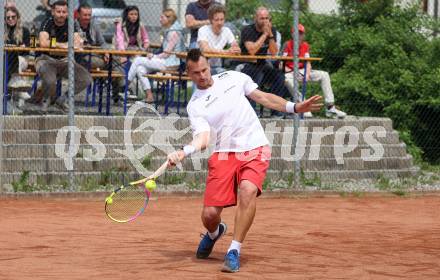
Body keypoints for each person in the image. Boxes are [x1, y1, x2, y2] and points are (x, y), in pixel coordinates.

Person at [165, 49, 322, 273]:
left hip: (255, 147)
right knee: (209, 215)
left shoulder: (234, 78)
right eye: (197, 73)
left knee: (247, 190)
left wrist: (294, 107)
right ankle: (214, 232)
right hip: (223, 154)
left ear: (209, 65)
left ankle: (234, 250)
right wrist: (184, 151)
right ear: (189, 74)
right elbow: (204, 137)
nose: (203, 75)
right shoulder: (195, 106)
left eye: (205, 69)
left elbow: (262, 97)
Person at [35, 0, 92, 111]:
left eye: (64, 12)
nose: (61, 14)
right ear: (53, 12)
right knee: (50, 81)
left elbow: (77, 42)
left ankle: (62, 99)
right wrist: (63, 45)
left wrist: (59, 45)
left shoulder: (71, 23)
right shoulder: (47, 22)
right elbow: (43, 43)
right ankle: (46, 100)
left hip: (65, 60)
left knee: (86, 79)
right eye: (58, 11)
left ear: (67, 13)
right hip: (46, 60)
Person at [284, 24, 347, 118]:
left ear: (303, 35)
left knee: (324, 75)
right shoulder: (287, 44)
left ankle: (330, 108)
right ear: (292, 34)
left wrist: (307, 74)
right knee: (287, 79)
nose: (299, 35)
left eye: (301, 33)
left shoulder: (305, 45)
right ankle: (303, 106)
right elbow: (282, 62)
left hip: (303, 70)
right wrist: (288, 70)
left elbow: (308, 63)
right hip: (290, 72)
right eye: (296, 33)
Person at [239, 7, 290, 117]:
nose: (265, 21)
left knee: (279, 77)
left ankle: (276, 111)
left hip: (262, 64)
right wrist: (264, 35)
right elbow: (251, 51)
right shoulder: (247, 30)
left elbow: (274, 52)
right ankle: (252, 111)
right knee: (256, 75)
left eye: (267, 18)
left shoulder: (272, 31)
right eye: (262, 18)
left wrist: (270, 34)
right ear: (255, 18)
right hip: (246, 63)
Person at [127, 8, 185, 104]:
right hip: (166, 62)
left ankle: (125, 86)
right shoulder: (169, 31)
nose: (160, 19)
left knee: (137, 60)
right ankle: (149, 97)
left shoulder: (174, 32)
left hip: (171, 64)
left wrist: (154, 56)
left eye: (162, 17)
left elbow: (166, 54)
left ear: (169, 19)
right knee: (140, 69)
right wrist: (154, 56)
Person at [113, 5, 149, 102]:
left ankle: (135, 91)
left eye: (136, 14)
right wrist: (123, 54)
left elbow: (145, 38)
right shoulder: (121, 24)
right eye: (131, 14)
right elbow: (119, 39)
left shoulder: (140, 25)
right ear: (127, 15)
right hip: (122, 50)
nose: (134, 16)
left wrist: (144, 48)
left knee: (138, 65)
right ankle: (125, 89)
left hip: (135, 50)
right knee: (123, 66)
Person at [197, 4, 240, 74]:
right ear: (211, 20)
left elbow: (236, 47)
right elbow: (206, 49)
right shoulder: (203, 30)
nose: (220, 22)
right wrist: (226, 52)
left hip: (218, 67)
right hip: (202, 66)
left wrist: (235, 49)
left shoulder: (227, 30)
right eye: (216, 20)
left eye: (222, 19)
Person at [75, 2, 109, 69]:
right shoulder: (73, 26)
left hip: (96, 53)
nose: (87, 17)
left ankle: (118, 79)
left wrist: (106, 52)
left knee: (116, 59)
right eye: (85, 15)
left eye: (89, 15)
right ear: (78, 14)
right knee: (99, 62)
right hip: (82, 55)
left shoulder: (94, 25)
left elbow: (102, 42)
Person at [4, 6, 30, 82]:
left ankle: (12, 85)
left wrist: (23, 47)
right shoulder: (3, 31)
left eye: (13, 17)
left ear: (17, 17)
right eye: (8, 17)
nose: (10, 19)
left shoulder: (24, 30)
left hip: (21, 58)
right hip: (6, 58)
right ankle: (14, 87)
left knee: (12, 59)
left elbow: (26, 48)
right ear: (5, 19)